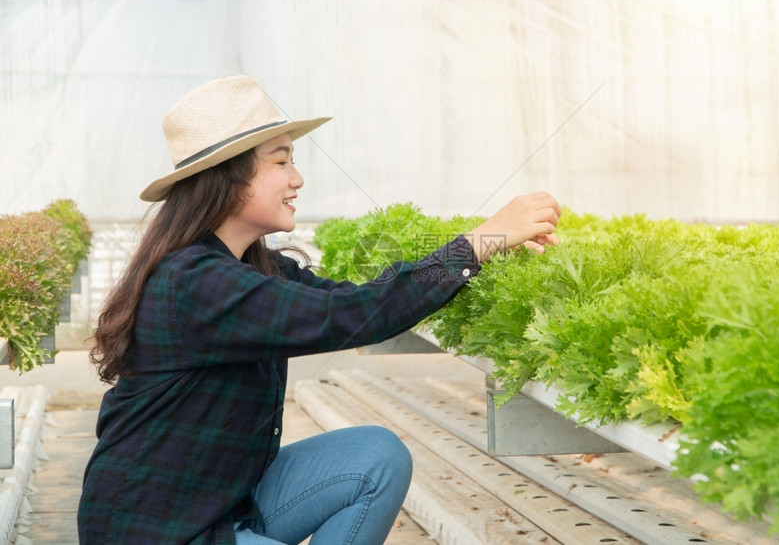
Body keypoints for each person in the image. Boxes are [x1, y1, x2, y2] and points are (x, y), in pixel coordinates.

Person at [78, 75, 560, 545]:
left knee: (376, 455)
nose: (297, 179)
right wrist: (480, 240)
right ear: (227, 174)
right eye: (281, 161)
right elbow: (356, 316)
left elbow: (366, 296)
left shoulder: (257, 268)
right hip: (156, 530)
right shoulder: (196, 283)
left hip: (222, 505)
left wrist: (486, 253)